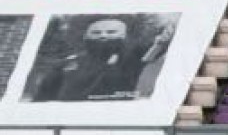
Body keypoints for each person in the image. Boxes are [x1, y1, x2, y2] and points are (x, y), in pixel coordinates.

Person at [25, 17, 172, 103]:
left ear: (124, 36)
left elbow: (153, 50)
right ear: (86, 37)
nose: (103, 35)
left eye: (111, 32)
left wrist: (161, 43)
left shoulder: (131, 58)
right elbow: (43, 95)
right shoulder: (67, 64)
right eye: (96, 32)